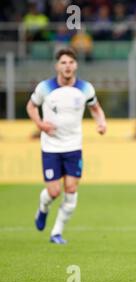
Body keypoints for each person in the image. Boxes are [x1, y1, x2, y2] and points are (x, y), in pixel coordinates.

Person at [26, 47, 107, 244]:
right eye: (63, 63)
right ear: (57, 66)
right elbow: (31, 106)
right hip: (51, 147)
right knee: (54, 192)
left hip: (73, 146)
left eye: (70, 62)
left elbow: (95, 108)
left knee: (71, 189)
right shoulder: (45, 87)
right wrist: (40, 124)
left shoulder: (85, 88)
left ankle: (56, 233)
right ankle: (43, 208)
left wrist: (101, 122)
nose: (67, 66)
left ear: (76, 65)